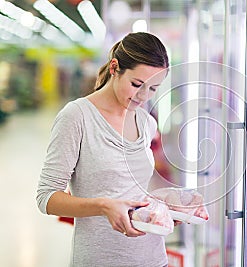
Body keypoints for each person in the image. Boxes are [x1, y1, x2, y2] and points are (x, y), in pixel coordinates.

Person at [36, 32, 172, 266]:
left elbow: (132, 191)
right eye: (136, 84)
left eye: (153, 89)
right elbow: (46, 198)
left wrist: (166, 211)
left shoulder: (146, 122)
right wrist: (103, 206)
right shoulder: (77, 117)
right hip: (100, 258)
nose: (142, 96)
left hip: (153, 258)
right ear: (114, 67)